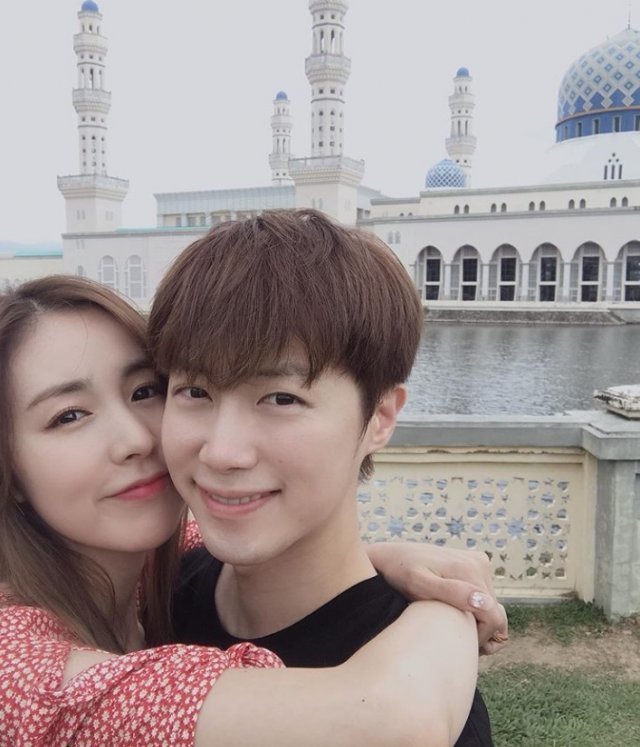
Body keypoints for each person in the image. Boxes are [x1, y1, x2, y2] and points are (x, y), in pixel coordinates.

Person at [0, 275, 481, 746]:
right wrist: (453, 611)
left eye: (145, 391)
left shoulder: (164, 573)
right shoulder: (14, 662)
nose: (136, 439)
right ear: (11, 470)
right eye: (69, 416)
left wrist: (392, 557)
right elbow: (395, 720)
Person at [149, 209, 495, 745]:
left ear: (380, 417)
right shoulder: (162, 592)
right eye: (195, 392)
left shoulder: (418, 679)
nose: (222, 453)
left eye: (281, 398)